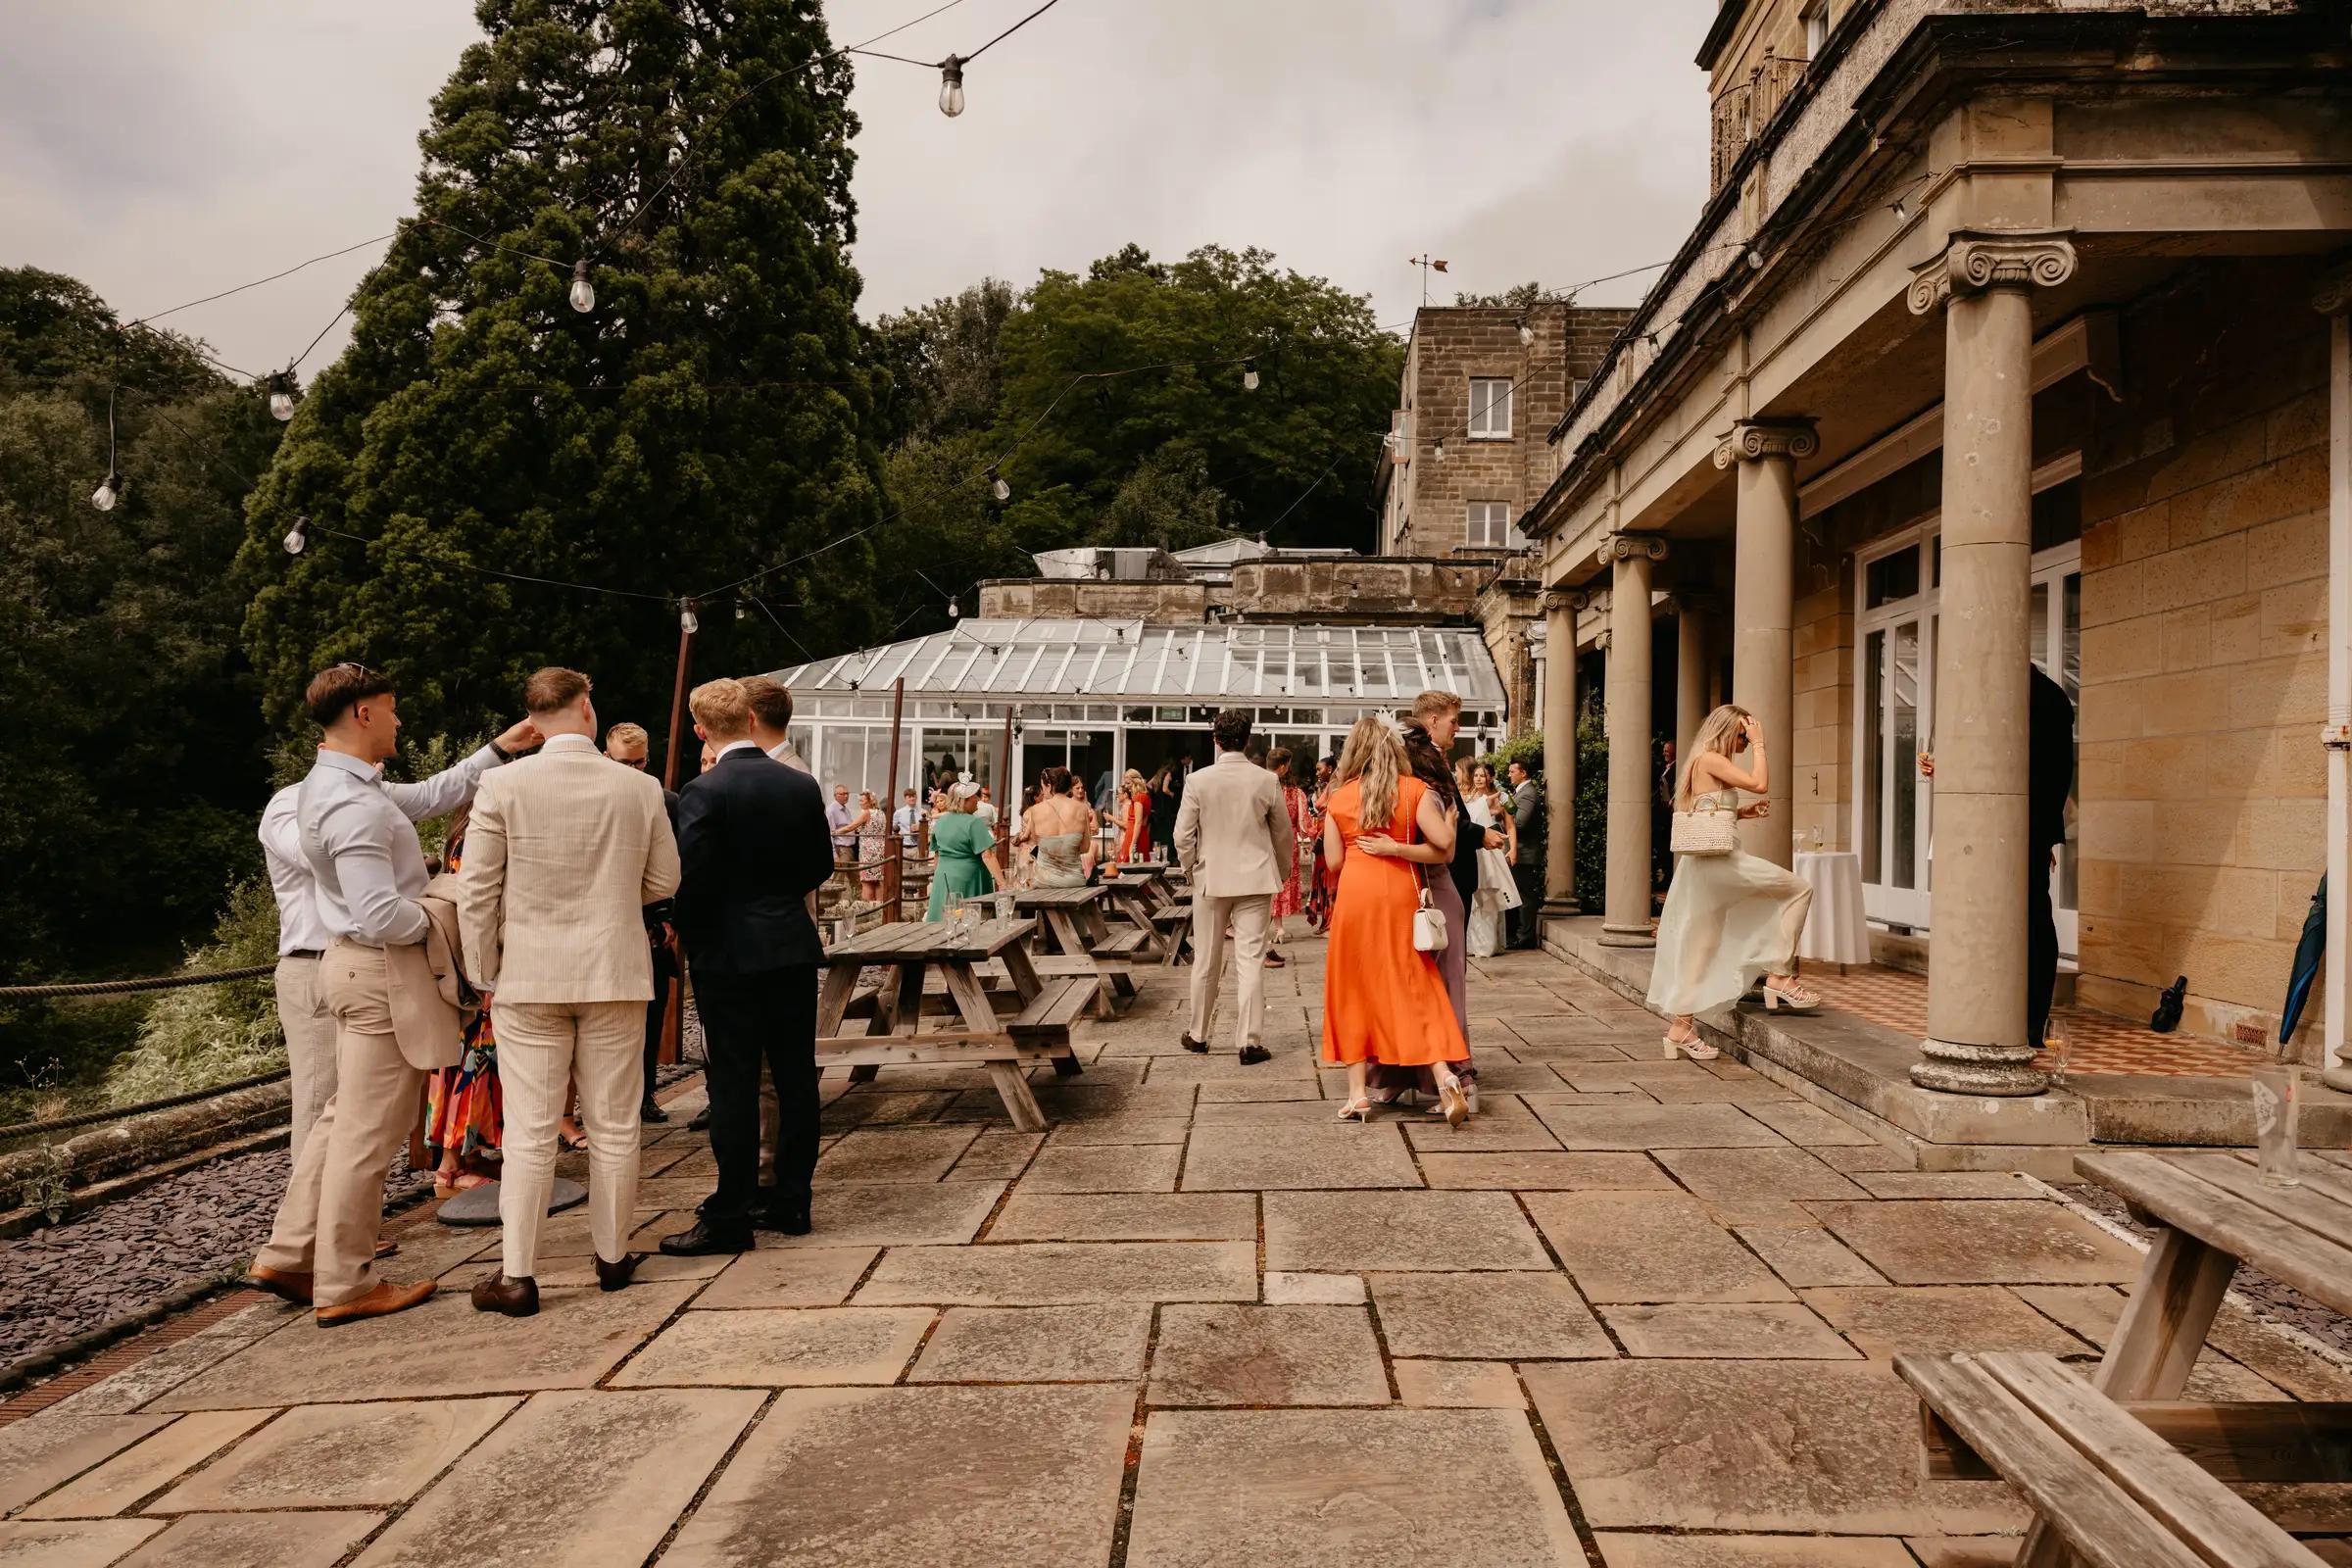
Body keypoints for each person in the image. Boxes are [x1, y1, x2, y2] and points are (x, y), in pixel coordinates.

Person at [247, 663, 537, 1325]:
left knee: (340, 1120)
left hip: (355, 969)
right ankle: (345, 1283)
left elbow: (430, 795)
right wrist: (442, 914)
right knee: (369, 1134)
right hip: (378, 973)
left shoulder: (341, 784)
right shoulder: (350, 803)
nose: (400, 720)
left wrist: (499, 749)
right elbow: (380, 914)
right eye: (392, 707)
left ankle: (289, 1255)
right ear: (363, 714)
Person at [458, 668, 680, 1316]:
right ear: (586, 709)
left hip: (529, 975)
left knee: (530, 1130)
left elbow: (477, 889)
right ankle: (612, 1257)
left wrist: (484, 973)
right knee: (615, 1123)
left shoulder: (501, 785)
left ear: (532, 721)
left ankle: (518, 1276)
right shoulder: (638, 787)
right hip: (614, 970)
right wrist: (613, 897)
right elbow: (665, 878)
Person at [661, 678, 834, 1253]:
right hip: (789, 943)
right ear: (751, 720)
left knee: (733, 1083)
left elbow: (692, 878)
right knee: (795, 1077)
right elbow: (820, 865)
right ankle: (793, 1201)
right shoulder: (799, 784)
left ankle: (729, 1215)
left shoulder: (703, 791)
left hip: (729, 954)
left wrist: (688, 927)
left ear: (701, 730)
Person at [1918, 662, 2076, 1053]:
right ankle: (2003, 1013)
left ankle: (2029, 1022)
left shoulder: (2039, 698)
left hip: (2019, 830)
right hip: (2008, 830)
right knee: (2009, 918)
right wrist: (1945, 768)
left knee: (2031, 921)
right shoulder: (2023, 695)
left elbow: (2043, 773)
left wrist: (2036, 838)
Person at [1321, 715, 1471, 1125]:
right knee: (1415, 982)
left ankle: (1358, 1095)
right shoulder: (1414, 790)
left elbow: (1333, 862)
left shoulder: (1339, 798)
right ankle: (1443, 1074)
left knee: (1353, 987)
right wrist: (1399, 849)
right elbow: (1444, 846)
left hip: (1356, 898)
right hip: (1401, 894)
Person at [1650, 705, 1821, 1059]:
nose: (1745, 741)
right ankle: (1779, 975)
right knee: (1799, 889)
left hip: (1704, 868)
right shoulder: (1711, 759)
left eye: (1748, 736)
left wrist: (1741, 812)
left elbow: (1706, 810)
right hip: (1721, 864)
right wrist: (1760, 744)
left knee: (1702, 945)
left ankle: (1681, 1027)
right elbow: (1760, 783)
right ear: (1728, 731)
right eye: (1742, 735)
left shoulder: (1704, 762)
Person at [1174, 710, 1294, 1064]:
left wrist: (1190, 868)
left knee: (1206, 959)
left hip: (1211, 878)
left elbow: (1182, 835)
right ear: (1248, 739)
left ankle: (1198, 1034)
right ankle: (1250, 1042)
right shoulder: (1266, 780)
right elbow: (1283, 833)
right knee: (1251, 959)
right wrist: (1282, 871)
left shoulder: (1198, 780)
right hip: (1255, 878)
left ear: (1216, 739)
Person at [1380, 691, 1476, 1108]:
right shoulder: (1411, 791)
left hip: (1433, 888)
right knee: (1413, 987)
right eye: (1453, 720)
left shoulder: (1423, 792)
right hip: (1416, 890)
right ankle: (1406, 1073)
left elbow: (1446, 847)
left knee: (1442, 985)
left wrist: (1395, 848)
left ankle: (1457, 1078)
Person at [423, 804, 501, 1197]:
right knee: (475, 1061)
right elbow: (476, 906)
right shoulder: (478, 835)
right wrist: (485, 976)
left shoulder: (463, 832)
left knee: (467, 1060)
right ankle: (450, 1167)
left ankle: (467, 1154)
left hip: (466, 966)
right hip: (477, 970)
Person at [259, 779, 337, 1163]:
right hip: (312, 966)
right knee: (319, 1099)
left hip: (355, 966)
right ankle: (307, 1203)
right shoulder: (288, 803)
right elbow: (310, 856)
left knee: (355, 1102)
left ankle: (343, 1201)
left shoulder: (366, 797)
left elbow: (432, 794)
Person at [604, 721, 678, 1124]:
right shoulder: (593, 797)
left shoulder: (664, 801)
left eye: (639, 763)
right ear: (606, 757)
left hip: (650, 924)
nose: (632, 771)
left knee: (651, 1014)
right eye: (623, 763)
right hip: (605, 921)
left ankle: (645, 1094)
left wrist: (667, 916)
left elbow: (675, 867)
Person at [1464, 761, 1522, 957]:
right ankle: (1472, 943)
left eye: (1482, 775)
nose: (1479, 779)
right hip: (1474, 851)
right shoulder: (1468, 799)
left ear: (1489, 778)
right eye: (1476, 775)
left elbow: (1510, 826)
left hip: (1493, 851)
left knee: (1490, 895)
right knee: (1474, 897)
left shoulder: (1500, 799)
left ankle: (1488, 943)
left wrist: (1513, 849)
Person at [925, 781, 1004, 919]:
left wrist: (937, 879)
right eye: (974, 796)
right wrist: (1002, 883)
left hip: (943, 877)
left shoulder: (940, 822)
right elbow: (988, 855)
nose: (978, 800)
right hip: (969, 879)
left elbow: (937, 854)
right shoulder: (973, 823)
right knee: (969, 921)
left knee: (943, 921)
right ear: (964, 800)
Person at [1264, 748, 1311, 966]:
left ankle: (1274, 926)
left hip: (1265, 841)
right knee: (1283, 882)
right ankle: (1279, 928)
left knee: (1268, 884)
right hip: (1287, 842)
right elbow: (1304, 825)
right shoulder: (1296, 794)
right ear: (1284, 767)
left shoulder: (1261, 787)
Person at [1027, 766, 1097, 888]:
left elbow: (1036, 842)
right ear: (1069, 787)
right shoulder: (1082, 809)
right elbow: (1085, 848)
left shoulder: (1035, 810)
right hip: (1073, 881)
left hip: (1044, 881)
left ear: (1051, 786)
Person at [1506, 759, 1545, 950]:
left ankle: (1525, 937)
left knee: (1524, 896)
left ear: (1523, 773)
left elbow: (1520, 822)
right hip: (1519, 852)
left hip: (1524, 853)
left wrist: (1503, 814)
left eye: (1512, 772)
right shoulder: (1519, 792)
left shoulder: (1528, 793)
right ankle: (1518, 934)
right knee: (1519, 894)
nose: (1509, 775)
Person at [855, 789, 887, 903]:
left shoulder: (866, 813)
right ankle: (879, 907)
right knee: (878, 881)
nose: (860, 803)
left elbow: (852, 826)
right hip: (881, 849)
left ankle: (867, 908)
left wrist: (836, 831)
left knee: (867, 881)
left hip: (868, 851)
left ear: (869, 802)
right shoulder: (881, 813)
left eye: (862, 800)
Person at [1115, 769, 1153, 864]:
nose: (1126, 786)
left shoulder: (1138, 797)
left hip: (1133, 835)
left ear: (1135, 782)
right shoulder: (1146, 796)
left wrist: (1133, 844)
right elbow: (1144, 822)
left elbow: (1138, 822)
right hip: (1143, 834)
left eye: (1128, 783)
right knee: (1141, 864)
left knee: (1126, 863)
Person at [825, 783, 857, 871]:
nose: (846, 796)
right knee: (839, 877)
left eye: (847, 793)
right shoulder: (831, 810)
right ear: (835, 796)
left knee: (855, 877)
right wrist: (834, 855)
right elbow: (829, 833)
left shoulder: (846, 810)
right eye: (843, 794)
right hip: (841, 849)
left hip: (850, 848)